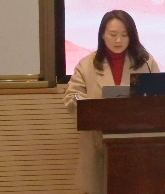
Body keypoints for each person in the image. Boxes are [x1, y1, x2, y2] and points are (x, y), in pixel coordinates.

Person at [63, 10, 159, 194]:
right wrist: (91, 107)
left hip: (137, 146)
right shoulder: (87, 65)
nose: (118, 40)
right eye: (113, 34)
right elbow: (71, 97)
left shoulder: (145, 62)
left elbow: (159, 98)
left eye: (124, 35)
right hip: (98, 145)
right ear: (102, 35)